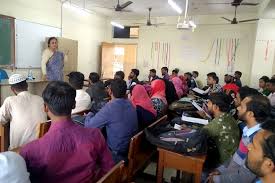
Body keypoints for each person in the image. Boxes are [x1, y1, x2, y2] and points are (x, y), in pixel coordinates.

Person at [20, 81, 114, 183]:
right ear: (74, 105)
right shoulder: (95, 135)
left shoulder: (30, 151)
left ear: (45, 108)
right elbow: (109, 171)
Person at [208, 95, 271, 183]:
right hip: (232, 173)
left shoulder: (258, 140)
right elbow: (236, 157)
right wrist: (220, 170)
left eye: (241, 106)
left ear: (250, 114)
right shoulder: (247, 130)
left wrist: (218, 179)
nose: (237, 108)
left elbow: (245, 177)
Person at [85, 79, 138, 163]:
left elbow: (89, 126)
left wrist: (89, 114)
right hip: (129, 149)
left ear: (110, 91)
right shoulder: (130, 103)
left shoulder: (110, 107)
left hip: (116, 154)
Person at [0, 74, 46, 149]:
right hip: (40, 149)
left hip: (19, 151)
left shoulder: (10, 100)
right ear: (27, 85)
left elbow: (1, 119)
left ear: (12, 89)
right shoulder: (40, 99)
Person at [202, 93, 240, 167]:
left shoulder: (218, 123)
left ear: (215, 107)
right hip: (231, 159)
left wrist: (187, 128)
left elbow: (199, 134)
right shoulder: (228, 116)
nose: (207, 105)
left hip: (224, 165)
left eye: (209, 103)